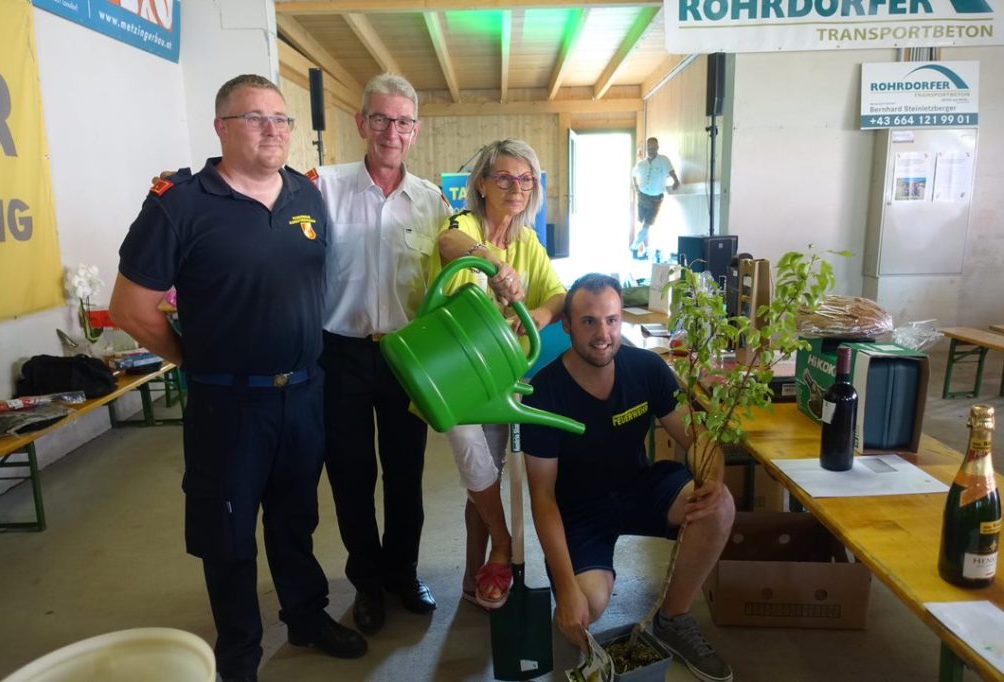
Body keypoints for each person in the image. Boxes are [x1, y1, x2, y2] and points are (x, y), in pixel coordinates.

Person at [109, 74, 366, 682]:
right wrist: (192, 359)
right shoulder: (179, 204)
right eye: (255, 118)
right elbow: (130, 309)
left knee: (295, 519)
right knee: (227, 536)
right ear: (221, 127)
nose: (272, 129)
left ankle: (305, 617)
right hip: (227, 406)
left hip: (303, 393)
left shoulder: (305, 195)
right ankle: (240, 655)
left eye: (281, 118)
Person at [520, 273, 734, 682]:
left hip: (639, 488)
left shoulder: (647, 368)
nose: (603, 334)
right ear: (567, 325)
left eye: (612, 320)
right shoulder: (545, 394)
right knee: (586, 608)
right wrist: (567, 589)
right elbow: (543, 497)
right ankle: (571, 588)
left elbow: (697, 437)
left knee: (719, 506)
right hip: (579, 511)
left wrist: (712, 476)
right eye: (589, 321)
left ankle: (673, 619)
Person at [306, 73, 451, 636]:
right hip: (338, 353)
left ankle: (402, 574)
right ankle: (366, 582)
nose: (392, 131)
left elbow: (448, 280)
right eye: (382, 119)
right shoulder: (323, 189)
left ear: (416, 130)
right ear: (361, 122)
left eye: (403, 122)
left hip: (404, 356)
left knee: (405, 473)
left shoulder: (432, 202)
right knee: (350, 474)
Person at [428, 139, 566, 609]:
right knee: (470, 450)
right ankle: (503, 543)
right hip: (457, 372)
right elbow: (448, 244)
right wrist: (494, 263)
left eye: (526, 179)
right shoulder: (465, 225)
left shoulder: (528, 241)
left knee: (482, 478)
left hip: (504, 372)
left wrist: (538, 316)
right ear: (482, 184)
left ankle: (476, 578)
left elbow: (557, 295)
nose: (517, 187)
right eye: (504, 178)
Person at [631, 137, 680, 260]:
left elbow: (671, 171)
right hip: (642, 197)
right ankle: (645, 251)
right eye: (649, 149)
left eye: (653, 148)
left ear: (657, 148)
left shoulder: (663, 160)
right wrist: (636, 187)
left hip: (656, 199)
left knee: (647, 225)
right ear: (646, 149)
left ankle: (635, 247)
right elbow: (633, 175)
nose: (651, 151)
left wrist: (676, 180)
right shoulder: (641, 164)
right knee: (642, 225)